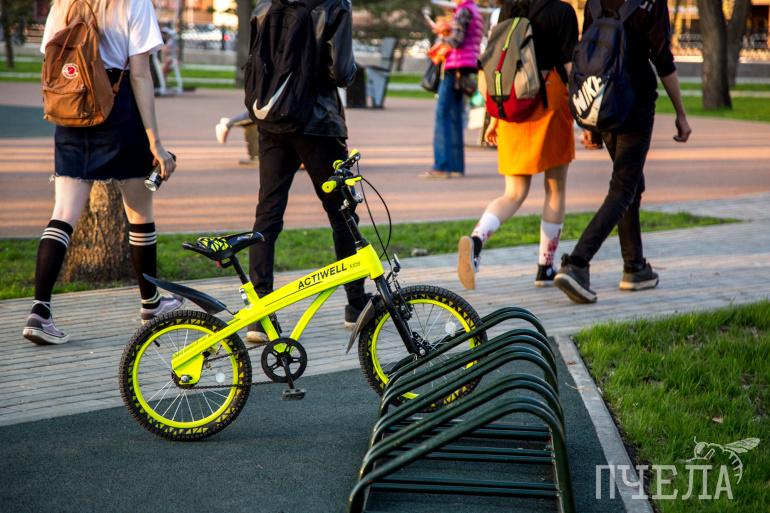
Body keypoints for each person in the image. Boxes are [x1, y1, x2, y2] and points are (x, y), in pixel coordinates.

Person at [23, 0, 180, 345]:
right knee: (140, 211)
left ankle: (40, 311)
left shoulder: (64, 3)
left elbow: (51, 55)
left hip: (71, 106)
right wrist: (155, 141)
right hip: (117, 107)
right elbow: (140, 74)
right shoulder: (133, 4)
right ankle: (151, 303)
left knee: (63, 212)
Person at [245, 0, 367, 343]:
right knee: (342, 211)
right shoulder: (335, 5)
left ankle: (260, 313)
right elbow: (341, 72)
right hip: (317, 121)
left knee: (268, 213)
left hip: (273, 119)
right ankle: (356, 303)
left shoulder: (265, 6)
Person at [554, 0, 692, 304]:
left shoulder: (595, 1)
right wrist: (681, 114)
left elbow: (589, 55)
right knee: (623, 188)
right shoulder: (650, 3)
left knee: (630, 184)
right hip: (635, 105)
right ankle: (577, 263)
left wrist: (590, 120)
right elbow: (662, 58)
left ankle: (635, 267)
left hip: (602, 105)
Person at [457, 0, 578, 290]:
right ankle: (545, 267)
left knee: (513, 193)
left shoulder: (507, 9)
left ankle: (476, 239)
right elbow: (571, 66)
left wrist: (494, 117)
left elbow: (492, 64)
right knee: (555, 188)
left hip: (513, 105)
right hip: (550, 101)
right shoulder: (562, 11)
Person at [421, 0, 484, 179]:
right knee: (455, 117)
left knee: (443, 116)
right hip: (464, 68)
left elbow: (456, 41)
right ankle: (456, 166)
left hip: (453, 67)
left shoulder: (463, 11)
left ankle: (442, 166)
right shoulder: (474, 10)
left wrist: (442, 33)